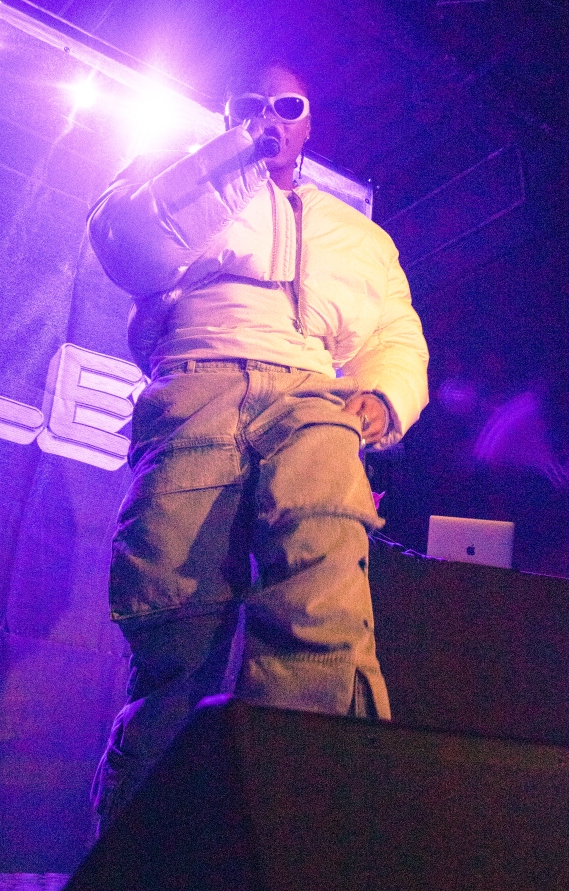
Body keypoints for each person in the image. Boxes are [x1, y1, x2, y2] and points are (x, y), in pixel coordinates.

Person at [87, 65, 429, 827]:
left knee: (324, 612)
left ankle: (292, 831)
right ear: (226, 113)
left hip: (312, 391)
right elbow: (130, 247)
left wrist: (384, 394)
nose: (270, 116)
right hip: (198, 380)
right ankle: (143, 856)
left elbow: (393, 329)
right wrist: (233, 157)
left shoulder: (359, 234)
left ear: (309, 123)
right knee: (177, 631)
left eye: (287, 106)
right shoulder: (174, 173)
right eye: (251, 104)